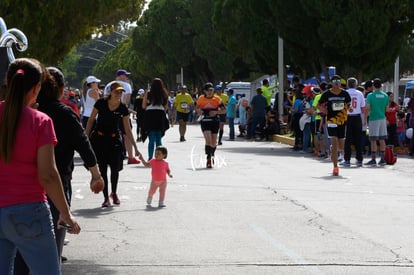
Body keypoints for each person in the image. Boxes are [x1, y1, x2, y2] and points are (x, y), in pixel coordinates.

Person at [14, 67, 105, 273]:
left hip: (20, 189)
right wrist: (96, 175)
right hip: (56, 186)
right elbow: (83, 145)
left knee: (19, 252)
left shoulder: (22, 113)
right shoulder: (61, 114)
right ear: (62, 89)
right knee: (50, 250)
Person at [0, 58, 81, 275]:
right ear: (37, 88)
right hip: (29, 210)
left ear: (7, 81)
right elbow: (48, 175)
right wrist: (65, 213)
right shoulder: (41, 122)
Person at [85, 82, 142, 207]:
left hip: (114, 140)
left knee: (115, 169)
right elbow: (90, 120)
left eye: (120, 92)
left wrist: (136, 148)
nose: (118, 94)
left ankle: (114, 193)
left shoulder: (122, 108)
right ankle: (106, 198)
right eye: (116, 92)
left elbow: (127, 129)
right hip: (99, 139)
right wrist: (85, 137)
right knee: (103, 170)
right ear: (110, 92)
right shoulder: (100, 103)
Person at [318, 75, 352, 176]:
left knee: (341, 145)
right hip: (331, 121)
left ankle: (337, 151)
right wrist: (322, 110)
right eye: (335, 81)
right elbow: (319, 104)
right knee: (334, 142)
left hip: (342, 121)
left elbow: (348, 104)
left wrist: (349, 108)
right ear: (332, 83)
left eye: (338, 81)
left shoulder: (345, 93)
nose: (337, 82)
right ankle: (335, 167)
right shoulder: (327, 94)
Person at [196, 82, 226, 168]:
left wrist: (216, 112)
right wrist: (199, 111)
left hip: (215, 121)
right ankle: (208, 159)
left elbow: (224, 110)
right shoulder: (201, 99)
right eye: (208, 90)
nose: (210, 92)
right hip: (205, 120)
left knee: (213, 142)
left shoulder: (217, 99)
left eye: (212, 90)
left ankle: (212, 153)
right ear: (204, 91)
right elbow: (196, 108)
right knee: (208, 140)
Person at [142, 78, 170, 160]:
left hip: (150, 115)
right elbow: (166, 107)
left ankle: (150, 158)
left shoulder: (148, 93)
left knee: (151, 138)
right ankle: (159, 157)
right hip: (160, 115)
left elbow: (143, 106)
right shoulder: (164, 93)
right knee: (159, 138)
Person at [340, 77, 365, 167]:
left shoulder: (344, 93)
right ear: (356, 85)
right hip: (357, 117)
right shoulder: (360, 93)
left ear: (347, 84)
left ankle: (347, 159)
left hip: (347, 117)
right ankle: (359, 159)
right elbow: (363, 107)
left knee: (348, 139)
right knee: (358, 138)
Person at [364, 78, 389, 166]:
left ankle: (373, 159)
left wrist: (364, 119)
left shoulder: (370, 95)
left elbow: (367, 108)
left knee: (373, 139)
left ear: (373, 86)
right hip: (382, 118)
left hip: (374, 118)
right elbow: (387, 109)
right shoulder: (385, 95)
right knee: (382, 139)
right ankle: (382, 159)